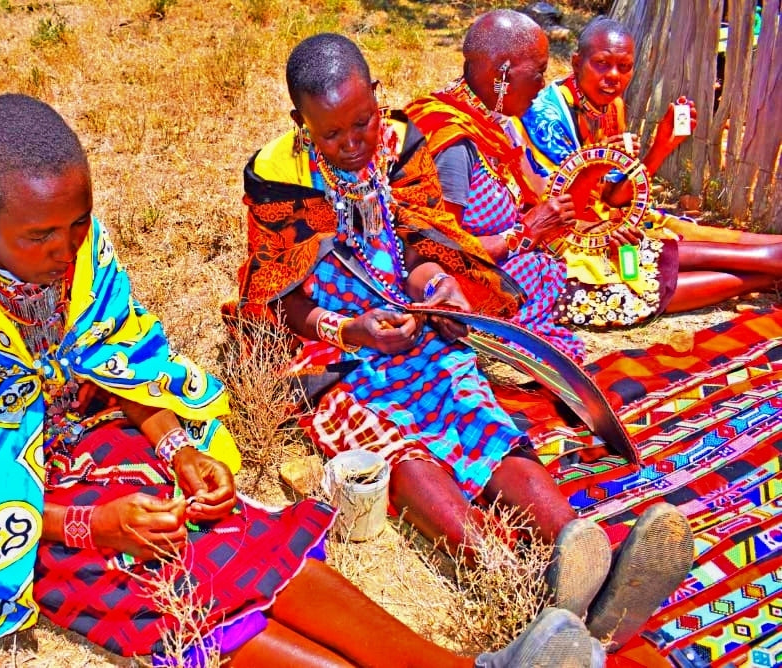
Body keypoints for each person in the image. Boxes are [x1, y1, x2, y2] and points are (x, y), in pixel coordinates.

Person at [0, 93, 604, 667]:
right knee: (156, 583)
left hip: (89, 440)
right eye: (40, 236)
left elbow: (117, 360)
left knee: (231, 529)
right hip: (2, 497)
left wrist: (176, 449)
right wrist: (83, 525)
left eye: (79, 225)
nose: (68, 251)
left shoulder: (72, 243)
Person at [229, 32, 693, 652]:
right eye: (332, 134)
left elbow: (425, 239)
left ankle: (580, 549)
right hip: (335, 345)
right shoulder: (276, 177)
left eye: (362, 123)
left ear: (377, 99)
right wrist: (350, 329)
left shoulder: (400, 144)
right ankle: (512, 580)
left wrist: (437, 280)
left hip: (412, 320)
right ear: (299, 122)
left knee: (473, 408)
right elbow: (282, 297)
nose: (352, 144)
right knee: (393, 444)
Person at [515, 16, 782, 327]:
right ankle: (768, 271)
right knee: (629, 272)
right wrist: (598, 165)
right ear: (577, 63)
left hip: (604, 219)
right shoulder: (548, 116)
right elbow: (562, 207)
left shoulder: (611, 107)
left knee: (677, 232)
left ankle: (770, 260)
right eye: (601, 64)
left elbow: (616, 197)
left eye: (624, 67)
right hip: (565, 232)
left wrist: (662, 146)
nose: (613, 76)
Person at [403, 9, 585, 360]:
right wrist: (523, 233)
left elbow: (535, 192)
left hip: (519, 269)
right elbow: (434, 251)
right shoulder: (453, 144)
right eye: (538, 73)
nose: (542, 85)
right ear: (502, 71)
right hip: (479, 288)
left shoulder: (489, 122)